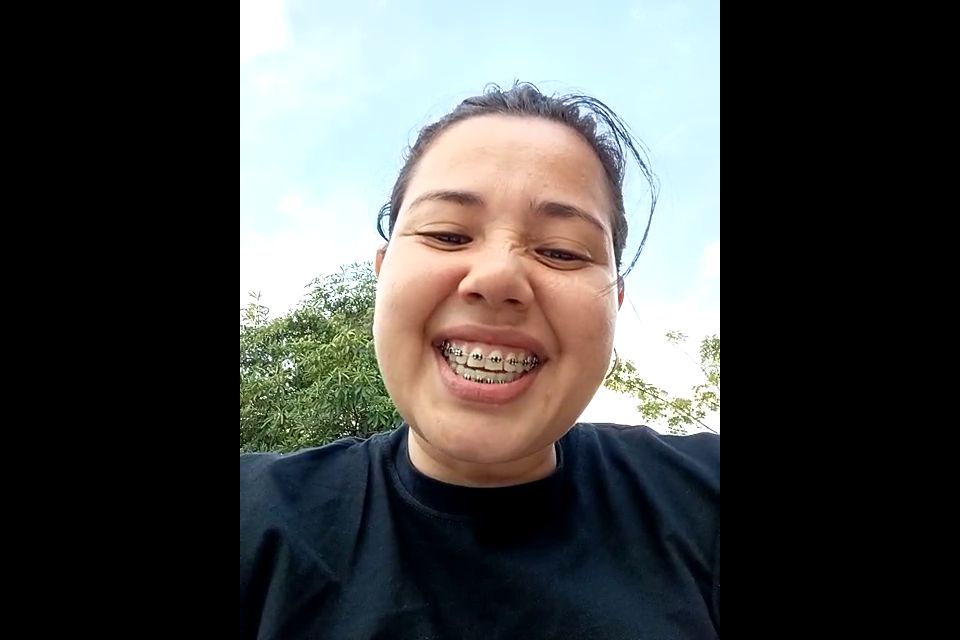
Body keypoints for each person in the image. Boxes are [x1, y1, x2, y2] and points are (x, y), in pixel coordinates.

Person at [240, 82, 720, 640]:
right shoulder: (255, 519)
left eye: (561, 251)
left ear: (614, 303)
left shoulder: (704, 497)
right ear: (383, 273)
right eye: (447, 235)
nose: (497, 278)